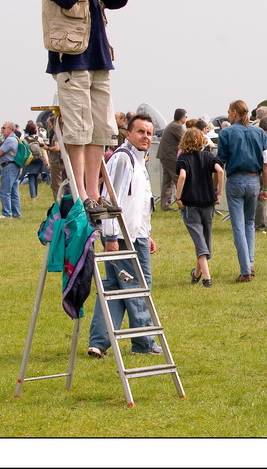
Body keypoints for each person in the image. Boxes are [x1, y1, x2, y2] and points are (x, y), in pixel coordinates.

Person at [40, 0, 137, 215]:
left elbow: (114, 1)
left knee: (100, 129)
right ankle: (81, 193)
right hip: (71, 60)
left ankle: (95, 192)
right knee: (79, 129)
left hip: (99, 59)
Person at [87, 114, 162, 358]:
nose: (146, 137)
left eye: (149, 133)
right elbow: (111, 199)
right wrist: (110, 237)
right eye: (140, 131)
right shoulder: (123, 158)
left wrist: (146, 234)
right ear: (128, 133)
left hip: (136, 236)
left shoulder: (140, 161)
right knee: (138, 286)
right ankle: (143, 341)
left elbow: (140, 202)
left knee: (114, 288)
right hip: (121, 238)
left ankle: (98, 342)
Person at [217, 100, 267, 282]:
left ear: (233, 112)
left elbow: (220, 161)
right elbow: (266, 163)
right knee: (249, 224)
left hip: (236, 180)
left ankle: (245, 269)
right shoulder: (259, 133)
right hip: (254, 180)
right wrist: (265, 187)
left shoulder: (226, 133)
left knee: (238, 227)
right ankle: (250, 261)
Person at [176, 127, 224, 288]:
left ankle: (207, 278)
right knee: (205, 237)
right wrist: (219, 193)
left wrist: (178, 197)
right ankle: (196, 273)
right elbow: (220, 171)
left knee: (199, 240)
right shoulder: (209, 156)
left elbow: (182, 176)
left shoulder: (183, 158)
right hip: (208, 203)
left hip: (191, 203)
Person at [156, 108, 187, 210]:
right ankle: (183, 203)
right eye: (186, 117)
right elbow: (186, 139)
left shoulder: (172, 125)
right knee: (178, 179)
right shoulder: (176, 127)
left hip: (165, 156)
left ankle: (165, 205)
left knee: (167, 181)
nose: (186, 119)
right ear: (182, 117)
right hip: (170, 157)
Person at [0, 122, 21, 219]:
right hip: (15, 166)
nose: (2, 129)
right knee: (14, 191)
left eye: (4, 128)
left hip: (8, 166)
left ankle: (6, 213)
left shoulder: (9, 140)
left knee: (5, 191)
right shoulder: (15, 139)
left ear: (10, 129)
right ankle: (16, 213)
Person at [21, 121, 47, 201]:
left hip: (29, 161)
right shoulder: (39, 139)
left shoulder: (23, 140)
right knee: (36, 178)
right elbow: (43, 151)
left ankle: (33, 196)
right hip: (39, 160)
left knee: (31, 178)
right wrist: (47, 161)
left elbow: (23, 152)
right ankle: (35, 194)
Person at [44, 114, 66, 200]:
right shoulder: (60, 132)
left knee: (56, 184)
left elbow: (57, 148)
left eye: (49, 123)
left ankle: (58, 202)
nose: (48, 125)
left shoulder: (57, 134)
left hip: (56, 161)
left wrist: (47, 148)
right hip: (59, 160)